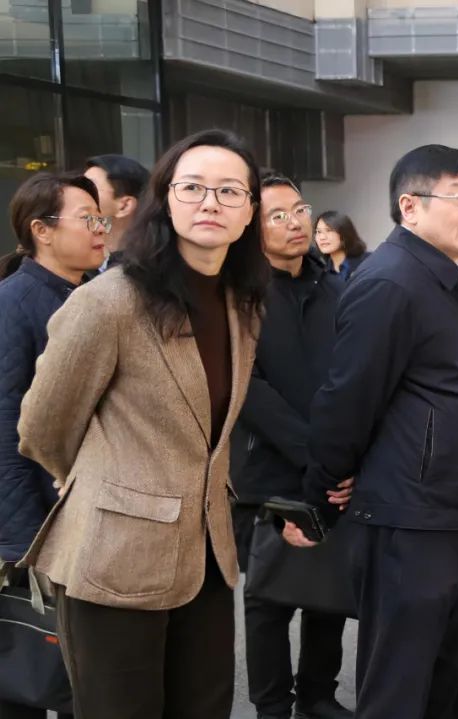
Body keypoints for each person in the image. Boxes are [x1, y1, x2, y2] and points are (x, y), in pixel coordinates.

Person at [16, 129, 273, 719]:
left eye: (230, 191)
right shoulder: (110, 301)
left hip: (207, 555)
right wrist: (107, 487)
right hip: (115, 557)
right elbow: (44, 427)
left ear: (249, 211)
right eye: (193, 187)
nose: (211, 202)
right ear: (166, 199)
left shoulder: (242, 304)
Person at [297, 145, 458, 719]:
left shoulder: (443, 278)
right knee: (400, 684)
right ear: (410, 206)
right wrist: (325, 487)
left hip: (453, 507)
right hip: (412, 514)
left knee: (445, 678)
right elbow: (347, 398)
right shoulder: (391, 281)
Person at [232, 173, 351, 719]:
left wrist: (343, 455)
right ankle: (273, 706)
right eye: (276, 216)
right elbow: (248, 387)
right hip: (268, 468)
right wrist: (313, 453)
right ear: (253, 230)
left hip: (334, 466)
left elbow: (356, 375)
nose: (294, 223)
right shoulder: (241, 295)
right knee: (269, 597)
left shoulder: (336, 288)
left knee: (329, 589)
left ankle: (318, 695)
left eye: (300, 210)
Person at [0, 172, 107, 719]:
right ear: (41, 230)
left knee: (81, 674)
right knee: (30, 667)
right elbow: (4, 428)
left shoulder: (92, 296)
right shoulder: (14, 303)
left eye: (101, 217)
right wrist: (20, 541)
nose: (100, 229)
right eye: (87, 218)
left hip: (85, 515)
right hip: (40, 521)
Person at [83, 154, 150, 270]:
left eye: (89, 187)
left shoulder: (149, 269)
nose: (77, 193)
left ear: (124, 206)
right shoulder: (72, 261)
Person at [314, 210, 369, 281]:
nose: (322, 237)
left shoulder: (368, 262)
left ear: (344, 232)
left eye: (329, 230)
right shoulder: (321, 275)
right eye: (318, 232)